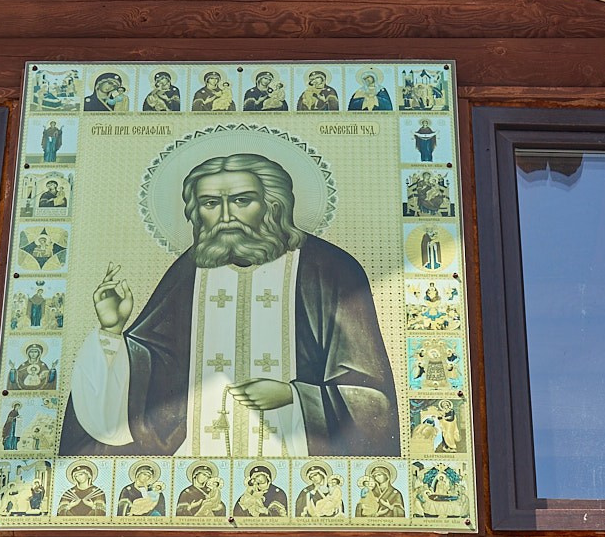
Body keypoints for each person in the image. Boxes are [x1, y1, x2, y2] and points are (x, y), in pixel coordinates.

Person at [61, 152, 399, 457]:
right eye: (210, 204)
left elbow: (371, 396)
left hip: (299, 455)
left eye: (241, 200)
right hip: (195, 455)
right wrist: (112, 333)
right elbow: (152, 376)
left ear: (273, 205)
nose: (226, 215)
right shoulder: (188, 272)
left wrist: (294, 398)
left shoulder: (329, 269)